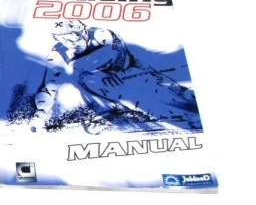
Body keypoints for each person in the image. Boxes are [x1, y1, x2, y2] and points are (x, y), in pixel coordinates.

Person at [30, 19, 199, 132]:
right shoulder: (57, 55)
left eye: (75, 36)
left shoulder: (102, 35)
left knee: (162, 87)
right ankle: (115, 110)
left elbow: (122, 55)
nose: (72, 43)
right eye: (64, 39)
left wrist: (112, 72)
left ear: (83, 31)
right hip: (100, 83)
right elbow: (49, 86)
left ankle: (185, 95)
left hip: (128, 67)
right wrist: (41, 113)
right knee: (85, 80)